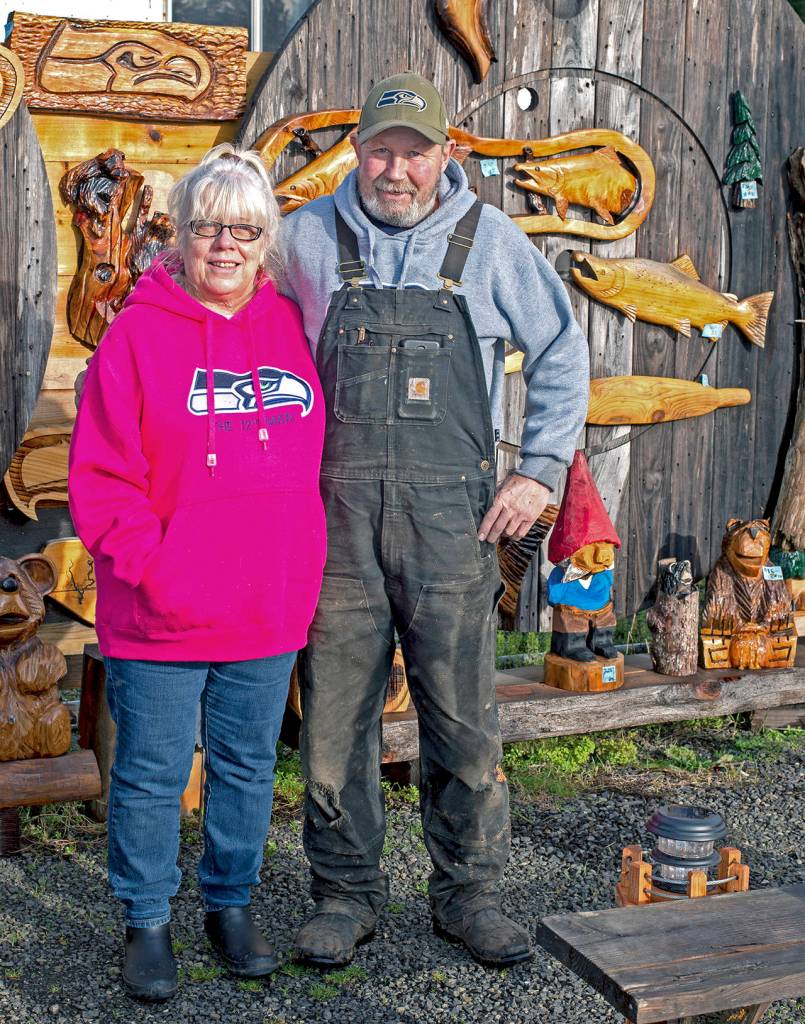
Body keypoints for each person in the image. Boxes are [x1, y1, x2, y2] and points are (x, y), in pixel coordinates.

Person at [280, 72, 590, 969]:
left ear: (443, 157)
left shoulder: (489, 241)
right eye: (381, 149)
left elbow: (562, 351)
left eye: (415, 152)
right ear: (357, 152)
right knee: (336, 721)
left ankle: (469, 895)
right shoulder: (301, 240)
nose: (396, 169)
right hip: (333, 520)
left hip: (452, 522)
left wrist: (537, 471)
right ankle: (343, 895)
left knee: (461, 719)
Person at [68, 145, 326, 1002]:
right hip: (160, 611)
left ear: (265, 240)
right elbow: (102, 481)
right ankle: (146, 918)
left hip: (267, 607)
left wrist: (303, 562)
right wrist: (158, 571)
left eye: (244, 229)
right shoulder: (136, 337)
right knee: (149, 770)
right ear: (179, 235)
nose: (226, 245)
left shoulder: (292, 326)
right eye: (208, 226)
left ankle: (230, 903)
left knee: (248, 767)